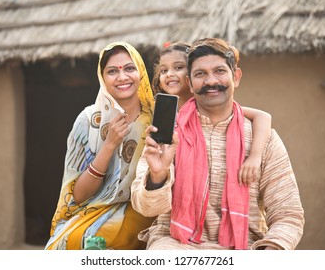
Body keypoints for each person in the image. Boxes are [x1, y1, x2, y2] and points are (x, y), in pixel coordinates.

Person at [131, 38, 304, 250]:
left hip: (245, 248)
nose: (211, 81)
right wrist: (157, 176)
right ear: (190, 84)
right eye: (200, 74)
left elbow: (288, 215)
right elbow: (146, 208)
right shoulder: (167, 135)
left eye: (220, 71)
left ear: (236, 77)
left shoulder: (263, 139)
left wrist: (270, 253)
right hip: (175, 245)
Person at [45, 42, 155, 250]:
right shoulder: (88, 120)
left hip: (140, 208)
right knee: (67, 243)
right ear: (102, 78)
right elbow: (79, 195)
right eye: (113, 71)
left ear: (140, 72)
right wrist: (110, 144)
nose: (122, 77)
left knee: (101, 241)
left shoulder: (156, 120)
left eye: (129, 68)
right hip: (91, 209)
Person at [151, 41, 272, 185]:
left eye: (178, 67)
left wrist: (255, 156)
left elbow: (263, 116)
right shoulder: (166, 117)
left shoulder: (214, 108)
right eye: (164, 71)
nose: (170, 74)